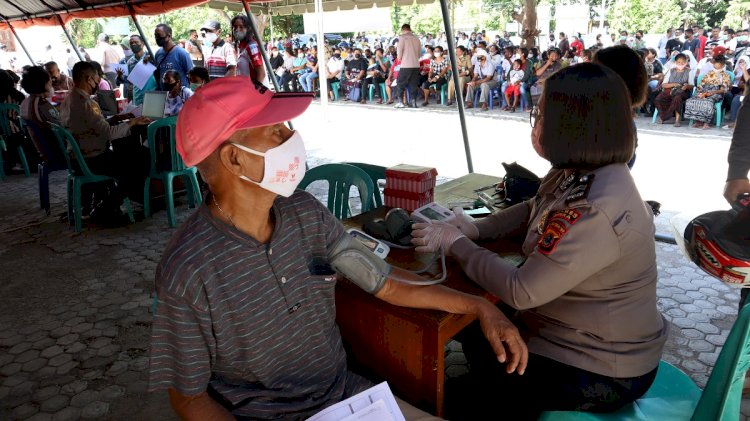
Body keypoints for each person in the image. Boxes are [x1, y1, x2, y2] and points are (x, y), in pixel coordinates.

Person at [148, 76, 527, 420]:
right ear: (234, 158)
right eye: (276, 132)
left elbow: (383, 281)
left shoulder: (304, 212)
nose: (291, 139)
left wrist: (477, 306)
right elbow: (189, 398)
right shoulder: (189, 269)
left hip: (347, 399)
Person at [413, 63, 667, 421]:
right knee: (475, 321)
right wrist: (476, 228)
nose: (535, 125)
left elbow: (521, 290)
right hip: (569, 333)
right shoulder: (578, 172)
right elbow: (533, 206)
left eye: (541, 115)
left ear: (574, 126)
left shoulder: (598, 208)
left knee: (457, 398)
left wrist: (457, 243)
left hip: (601, 367)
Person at [59, 61, 151, 218]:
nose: (97, 82)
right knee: (140, 162)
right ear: (88, 79)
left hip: (78, 156)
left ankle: (106, 202)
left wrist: (116, 118)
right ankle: (108, 205)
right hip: (92, 159)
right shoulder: (87, 103)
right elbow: (109, 133)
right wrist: (133, 122)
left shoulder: (69, 99)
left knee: (131, 156)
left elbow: (91, 126)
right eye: (96, 78)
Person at [19, 66, 64, 165]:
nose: (51, 82)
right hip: (58, 152)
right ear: (43, 83)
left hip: (44, 152)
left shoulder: (26, 102)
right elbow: (60, 127)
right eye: (49, 80)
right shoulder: (41, 104)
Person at [684, 55, 731, 129]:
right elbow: (700, 85)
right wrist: (700, 93)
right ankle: (698, 121)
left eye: (719, 65)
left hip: (717, 93)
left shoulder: (725, 75)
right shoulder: (709, 74)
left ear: (723, 65)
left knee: (708, 102)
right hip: (704, 91)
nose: (717, 66)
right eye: (716, 64)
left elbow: (723, 90)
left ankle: (706, 122)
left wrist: (712, 93)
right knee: (693, 100)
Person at [654, 53, 695, 127]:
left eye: (683, 63)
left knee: (677, 98)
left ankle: (677, 120)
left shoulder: (689, 71)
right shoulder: (671, 71)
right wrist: (674, 84)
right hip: (670, 89)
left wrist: (686, 86)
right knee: (659, 98)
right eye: (678, 62)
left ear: (686, 62)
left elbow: (692, 85)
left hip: (683, 91)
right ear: (675, 62)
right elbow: (664, 84)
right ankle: (663, 117)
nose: (680, 64)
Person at [117, 35, 156, 106]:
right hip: (137, 98)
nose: (133, 44)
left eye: (136, 42)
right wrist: (120, 76)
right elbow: (128, 82)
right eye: (131, 43)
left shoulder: (151, 58)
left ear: (143, 44)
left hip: (152, 97)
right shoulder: (130, 62)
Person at [153, 24, 194, 90]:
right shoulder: (158, 54)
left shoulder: (182, 53)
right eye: (155, 35)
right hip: (165, 96)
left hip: (179, 97)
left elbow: (191, 75)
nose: (157, 38)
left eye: (159, 35)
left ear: (169, 36)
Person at [231, 15, 266, 84]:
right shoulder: (240, 47)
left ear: (248, 29)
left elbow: (261, 74)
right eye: (235, 27)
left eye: (241, 27)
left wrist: (255, 92)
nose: (237, 29)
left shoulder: (252, 46)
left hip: (253, 91)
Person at [395, 24, 421, 108]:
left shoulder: (402, 37)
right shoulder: (416, 38)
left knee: (400, 82)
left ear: (403, 29)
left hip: (406, 64)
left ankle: (400, 102)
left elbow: (399, 51)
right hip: (416, 64)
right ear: (409, 29)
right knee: (413, 84)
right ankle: (413, 102)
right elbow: (419, 53)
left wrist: (399, 59)